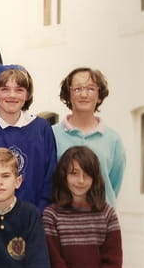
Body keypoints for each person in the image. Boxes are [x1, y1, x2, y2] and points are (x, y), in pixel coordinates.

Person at [0, 64, 57, 212]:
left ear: (27, 94)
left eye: (19, 90)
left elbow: (51, 177)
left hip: (36, 215)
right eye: (5, 89)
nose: (12, 95)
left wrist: (39, 213)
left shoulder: (42, 128)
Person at [53, 67, 126, 208]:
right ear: (68, 95)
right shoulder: (52, 135)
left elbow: (113, 185)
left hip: (101, 218)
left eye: (91, 89)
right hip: (62, 218)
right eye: (77, 89)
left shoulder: (113, 140)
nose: (84, 94)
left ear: (99, 96)